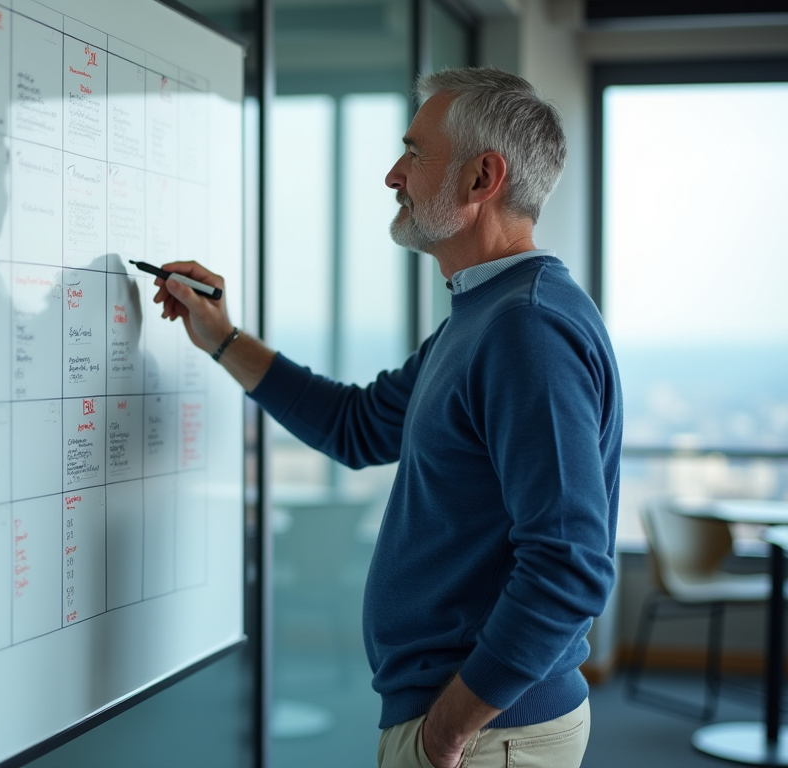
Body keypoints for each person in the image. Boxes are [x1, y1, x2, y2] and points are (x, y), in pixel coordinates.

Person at [153, 67, 622, 768]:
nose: (392, 175)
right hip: (471, 725)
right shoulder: (482, 316)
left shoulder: (527, 330)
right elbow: (357, 425)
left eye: (415, 152)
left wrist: (450, 727)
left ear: (480, 178)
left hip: (485, 734)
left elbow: (570, 565)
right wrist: (222, 336)